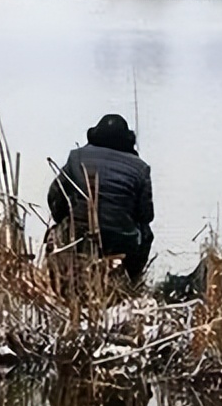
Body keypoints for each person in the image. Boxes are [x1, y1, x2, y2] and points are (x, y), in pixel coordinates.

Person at [48, 113, 154, 282]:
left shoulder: (76, 157)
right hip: (121, 240)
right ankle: (132, 281)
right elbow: (146, 215)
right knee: (146, 232)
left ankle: (60, 280)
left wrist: (63, 220)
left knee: (54, 233)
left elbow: (56, 195)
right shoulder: (140, 168)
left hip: (79, 235)